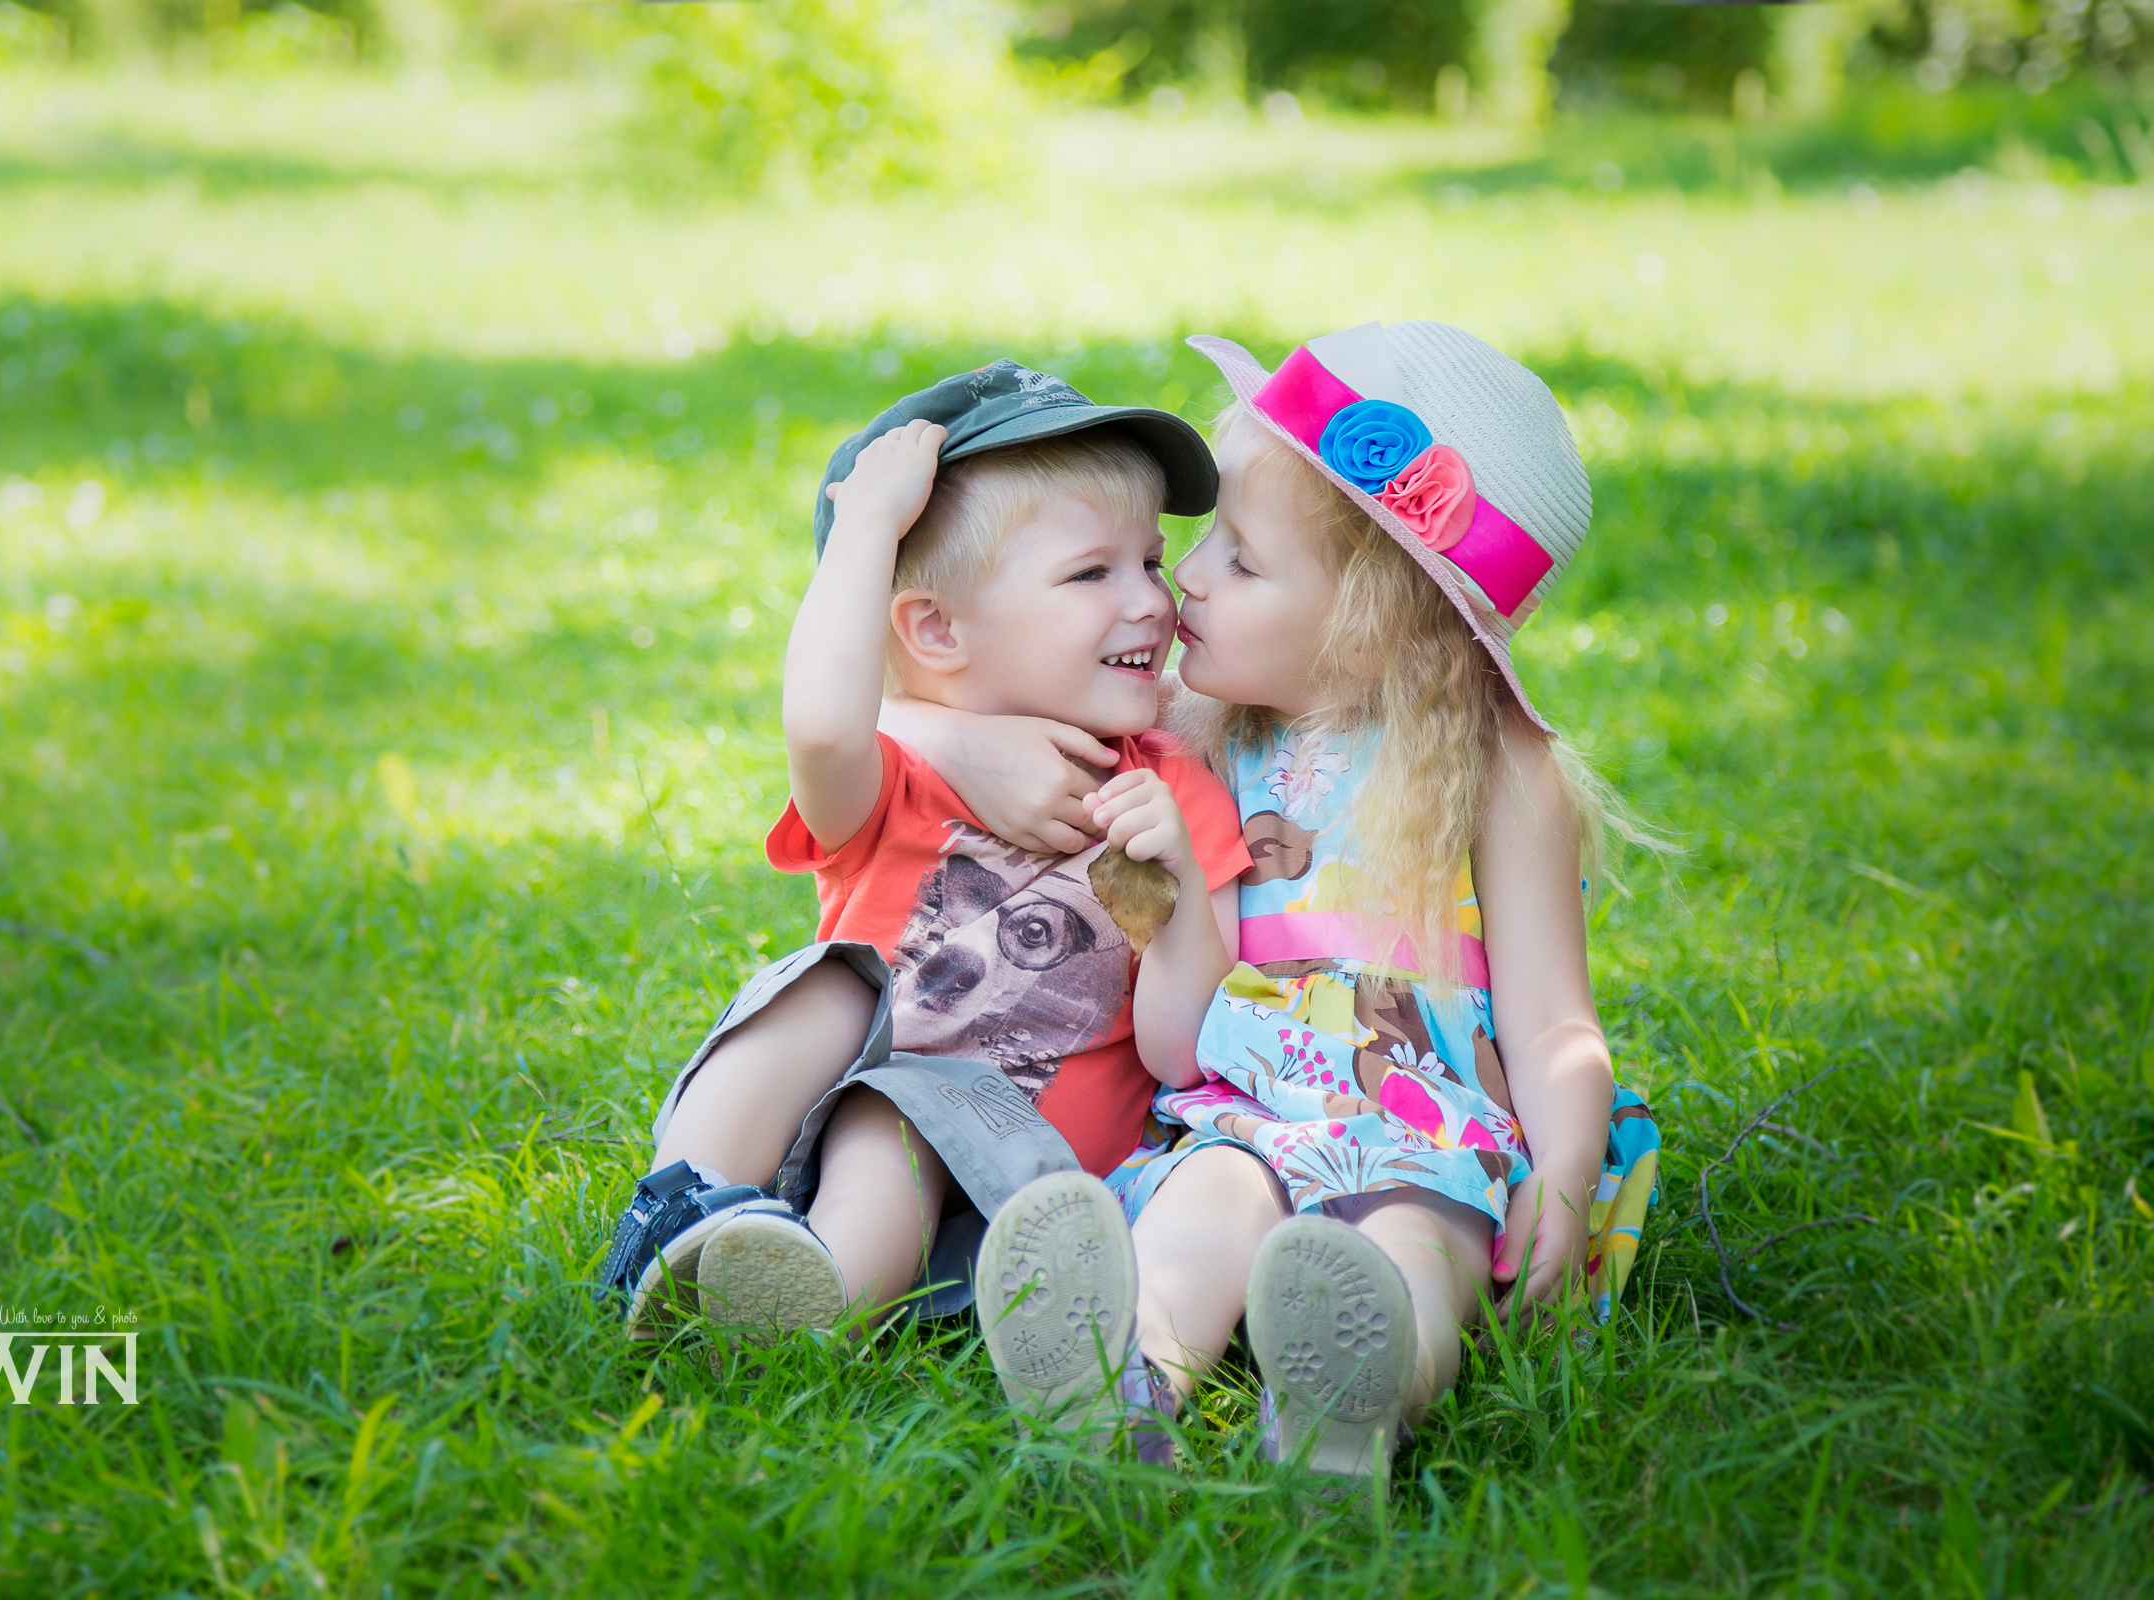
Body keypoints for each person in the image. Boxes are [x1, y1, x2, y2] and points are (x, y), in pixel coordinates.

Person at [892, 322, 1665, 1475]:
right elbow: (899, 713)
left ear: (1374, 624)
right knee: (1208, 1201)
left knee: (1415, 1241)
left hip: (1429, 1121)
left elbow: (1554, 1018)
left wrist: (1560, 1172)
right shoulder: (1189, 732)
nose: (1188, 577)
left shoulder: (1500, 768)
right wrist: (952, 733)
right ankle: (1122, 1386)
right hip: (1241, 1096)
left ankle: (1355, 1399)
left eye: (1243, 560)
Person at [592, 362, 1253, 1390]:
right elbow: (823, 723)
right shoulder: (895, 782)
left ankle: (800, 1309)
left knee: (904, 1116)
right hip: (860, 1130)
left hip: (1042, 1197)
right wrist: (868, 526)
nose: (1150, 602)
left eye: (1151, 562)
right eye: (1092, 574)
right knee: (830, 1003)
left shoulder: (1172, 792)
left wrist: (1171, 897)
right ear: (936, 629)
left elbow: (1183, 1053)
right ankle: (695, 1225)